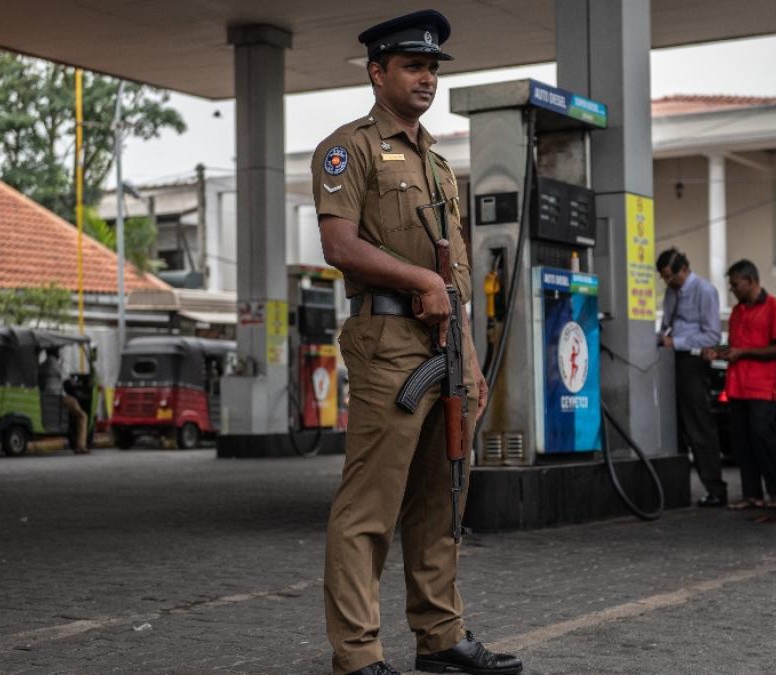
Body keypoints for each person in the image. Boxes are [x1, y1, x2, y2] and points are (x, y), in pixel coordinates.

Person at [311, 10, 521, 675]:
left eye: (432, 67)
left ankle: (441, 637)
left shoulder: (435, 160)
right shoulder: (351, 148)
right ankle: (358, 654)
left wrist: (468, 352)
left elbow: (455, 271)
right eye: (412, 66)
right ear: (378, 73)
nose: (426, 78)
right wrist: (419, 280)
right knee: (368, 507)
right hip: (387, 340)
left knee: (441, 498)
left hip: (443, 344)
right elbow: (338, 245)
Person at [707, 260, 776, 510]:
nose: (732, 289)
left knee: (763, 439)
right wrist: (717, 352)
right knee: (742, 443)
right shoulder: (737, 312)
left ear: (751, 281)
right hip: (738, 388)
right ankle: (751, 494)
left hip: (764, 389)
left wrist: (742, 353)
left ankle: (775, 492)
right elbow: (734, 348)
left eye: (735, 284)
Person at [656, 248, 727, 507]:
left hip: (693, 360)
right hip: (670, 358)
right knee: (676, 427)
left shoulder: (704, 291)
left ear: (683, 270)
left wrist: (676, 342)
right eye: (664, 278)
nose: (668, 282)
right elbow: (667, 324)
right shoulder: (671, 292)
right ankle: (678, 488)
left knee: (699, 426)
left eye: (670, 276)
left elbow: (712, 335)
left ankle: (715, 487)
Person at [41, 348, 88, 454]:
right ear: (57, 353)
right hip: (59, 398)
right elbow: (68, 381)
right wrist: (76, 383)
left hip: (45, 397)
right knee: (82, 416)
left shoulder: (42, 366)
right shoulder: (57, 366)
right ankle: (81, 445)